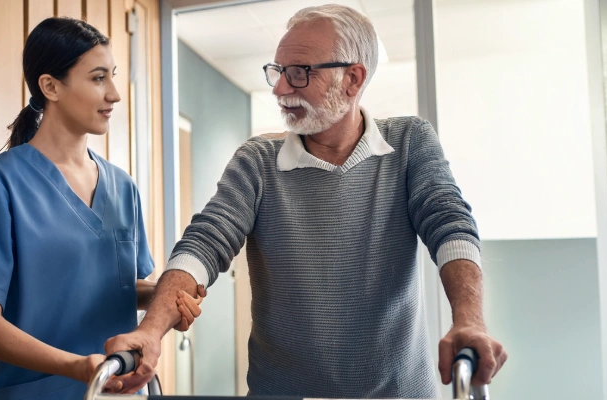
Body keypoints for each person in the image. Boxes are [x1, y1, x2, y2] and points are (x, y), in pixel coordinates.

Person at [105, 4, 508, 398]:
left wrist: (469, 320)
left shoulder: (409, 142)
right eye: (278, 72)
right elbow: (206, 241)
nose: (280, 88)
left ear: (352, 79)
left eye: (299, 74)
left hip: (399, 391)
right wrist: (150, 330)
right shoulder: (257, 161)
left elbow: (449, 222)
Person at [0, 17, 203, 400]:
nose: (115, 95)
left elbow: (114, 285)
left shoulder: (122, 187)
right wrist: (75, 367)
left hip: (118, 391)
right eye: (98, 78)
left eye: (114, 76)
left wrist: (165, 300)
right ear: (50, 86)